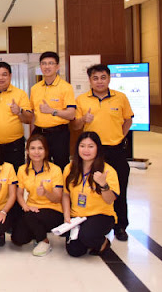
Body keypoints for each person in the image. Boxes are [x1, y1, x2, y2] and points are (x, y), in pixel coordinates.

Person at [72, 64, 133, 242]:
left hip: (115, 149)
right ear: (90, 80)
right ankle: (94, 220)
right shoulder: (81, 100)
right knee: (92, 187)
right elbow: (75, 126)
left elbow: (128, 120)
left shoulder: (120, 97)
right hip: (92, 152)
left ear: (109, 78)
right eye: (95, 78)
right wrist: (83, 119)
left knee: (119, 187)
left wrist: (119, 137)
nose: (99, 81)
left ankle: (120, 225)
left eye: (103, 77)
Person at [63, 131, 119, 257]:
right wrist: (67, 216)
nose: (86, 150)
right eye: (82, 146)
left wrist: (104, 185)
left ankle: (104, 242)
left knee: (87, 236)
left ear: (98, 148)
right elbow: (65, 194)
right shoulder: (70, 168)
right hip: (77, 217)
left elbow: (110, 200)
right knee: (74, 251)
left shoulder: (108, 171)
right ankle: (86, 238)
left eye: (91, 146)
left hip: (100, 215)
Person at [11, 134, 64, 256]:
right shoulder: (22, 169)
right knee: (17, 239)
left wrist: (46, 193)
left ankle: (44, 241)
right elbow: (19, 193)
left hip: (53, 210)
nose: (36, 152)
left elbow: (58, 198)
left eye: (40, 148)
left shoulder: (55, 170)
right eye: (33, 148)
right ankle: (38, 231)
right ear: (27, 151)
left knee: (30, 217)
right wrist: (25, 207)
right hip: (31, 209)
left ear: (46, 151)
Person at [30, 52, 75, 170]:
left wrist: (52, 111)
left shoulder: (66, 87)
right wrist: (32, 136)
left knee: (61, 165)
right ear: (40, 66)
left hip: (59, 134)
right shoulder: (35, 88)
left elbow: (71, 114)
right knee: (39, 165)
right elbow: (34, 115)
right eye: (44, 63)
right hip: (39, 133)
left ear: (57, 66)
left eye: (51, 63)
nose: (47, 66)